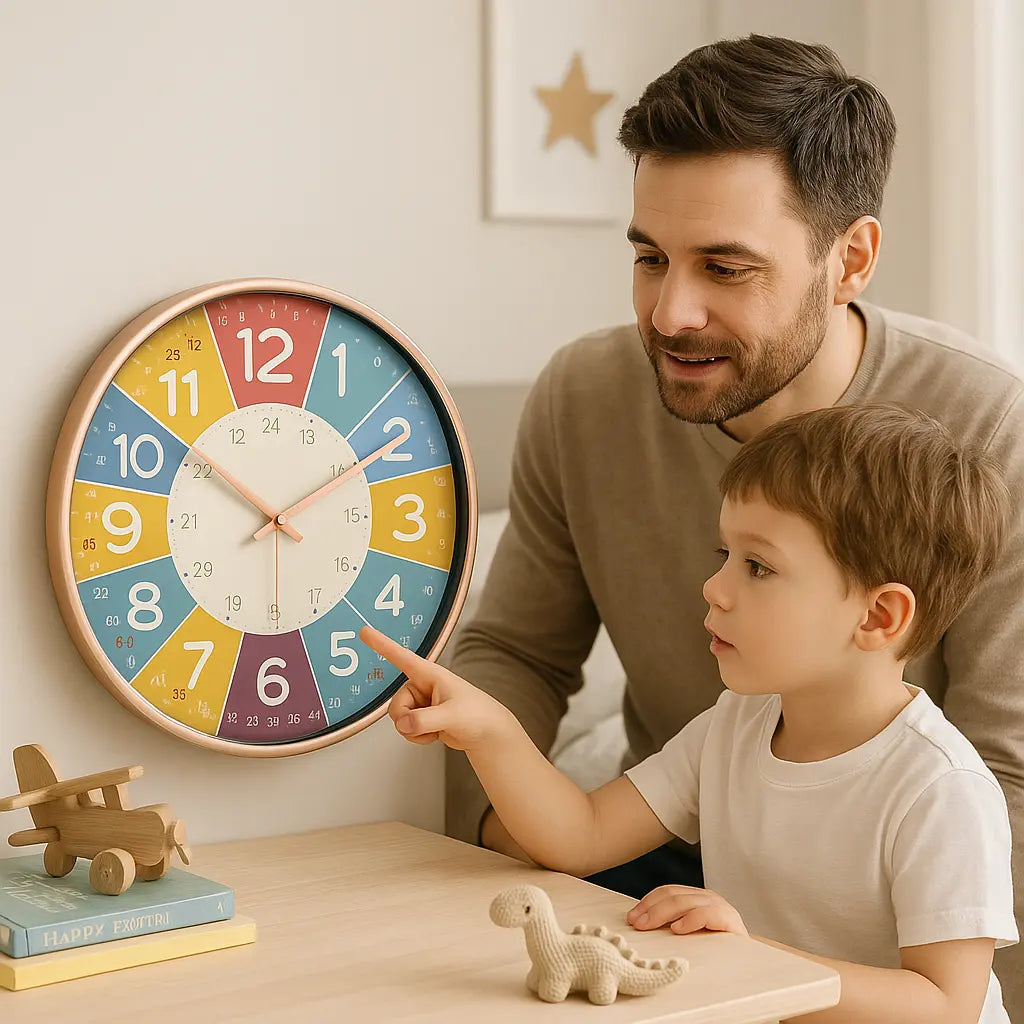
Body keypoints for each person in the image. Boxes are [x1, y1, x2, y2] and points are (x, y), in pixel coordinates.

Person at [443, 33, 1024, 1013]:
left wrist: (802, 965)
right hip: (658, 858)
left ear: (851, 259)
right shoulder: (581, 394)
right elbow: (514, 655)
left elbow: (1003, 767)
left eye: (725, 267)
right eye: (648, 257)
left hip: (890, 910)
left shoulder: (986, 429)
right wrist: (503, 840)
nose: (669, 312)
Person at [361, 402, 1017, 1022]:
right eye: (723, 555)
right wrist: (492, 731)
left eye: (758, 566)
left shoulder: (940, 790)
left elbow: (944, 1005)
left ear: (877, 616)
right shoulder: (735, 727)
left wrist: (751, 958)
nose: (715, 587)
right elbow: (580, 836)